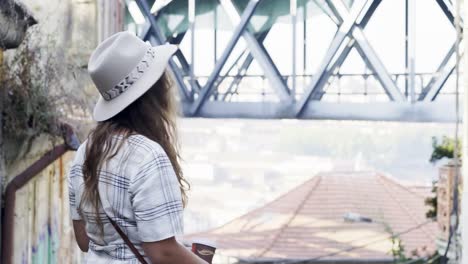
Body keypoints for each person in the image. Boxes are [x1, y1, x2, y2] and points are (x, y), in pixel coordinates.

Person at [68, 31, 206, 263]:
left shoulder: (85, 151)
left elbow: (83, 239)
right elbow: (162, 253)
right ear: (154, 94)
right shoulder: (148, 156)